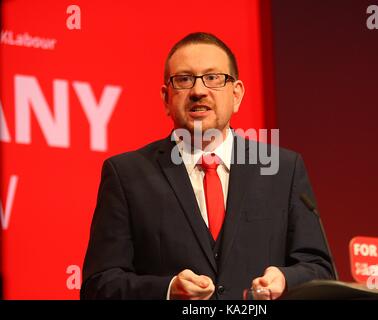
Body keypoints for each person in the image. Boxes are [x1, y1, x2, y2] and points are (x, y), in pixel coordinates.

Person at [81, 32, 334, 300]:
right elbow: (100, 285)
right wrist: (167, 291)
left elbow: (320, 269)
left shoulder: (283, 169)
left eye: (213, 78)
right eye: (184, 79)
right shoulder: (127, 174)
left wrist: (285, 279)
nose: (199, 91)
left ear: (236, 94)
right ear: (167, 99)